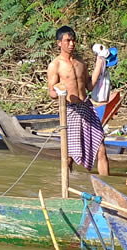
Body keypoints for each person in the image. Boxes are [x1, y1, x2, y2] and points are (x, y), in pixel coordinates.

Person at [47, 25, 110, 176]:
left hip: (86, 107)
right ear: (59, 43)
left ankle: (107, 186)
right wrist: (59, 89)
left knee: (100, 148)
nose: (71, 44)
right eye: (67, 41)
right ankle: (65, 186)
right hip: (70, 110)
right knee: (69, 155)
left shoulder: (81, 63)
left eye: (73, 40)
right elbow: (51, 92)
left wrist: (99, 64)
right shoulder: (55, 65)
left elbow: (89, 86)